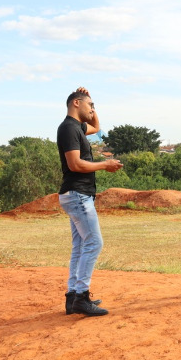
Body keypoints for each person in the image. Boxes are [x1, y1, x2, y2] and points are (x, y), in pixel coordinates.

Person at [57, 87, 123, 316]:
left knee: (81, 246)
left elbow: (96, 128)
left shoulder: (76, 127)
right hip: (77, 194)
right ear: (76, 103)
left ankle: (73, 297)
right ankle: (81, 297)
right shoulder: (68, 128)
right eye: (90, 105)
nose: (92, 109)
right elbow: (75, 164)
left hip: (75, 194)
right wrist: (106, 165)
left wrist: (94, 107)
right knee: (94, 243)